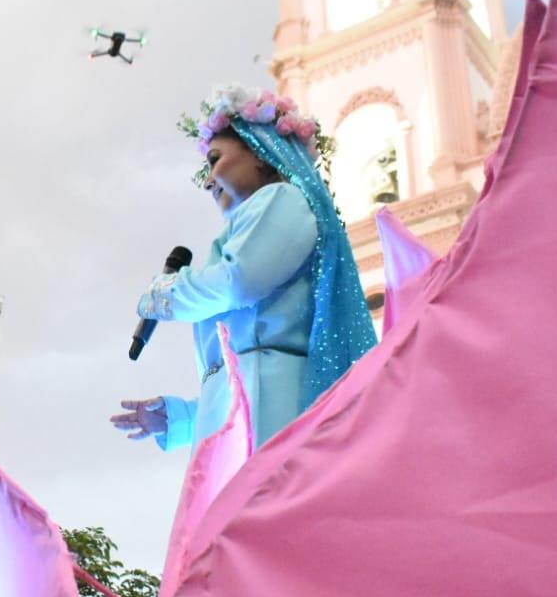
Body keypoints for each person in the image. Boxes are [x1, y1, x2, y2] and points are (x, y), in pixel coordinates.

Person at [112, 85, 376, 455]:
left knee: (258, 507)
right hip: (245, 407)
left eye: (216, 159)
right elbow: (237, 377)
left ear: (262, 154)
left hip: (269, 403)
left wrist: (165, 293)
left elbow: (238, 282)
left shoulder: (283, 200)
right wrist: (179, 418)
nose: (207, 181)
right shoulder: (248, 228)